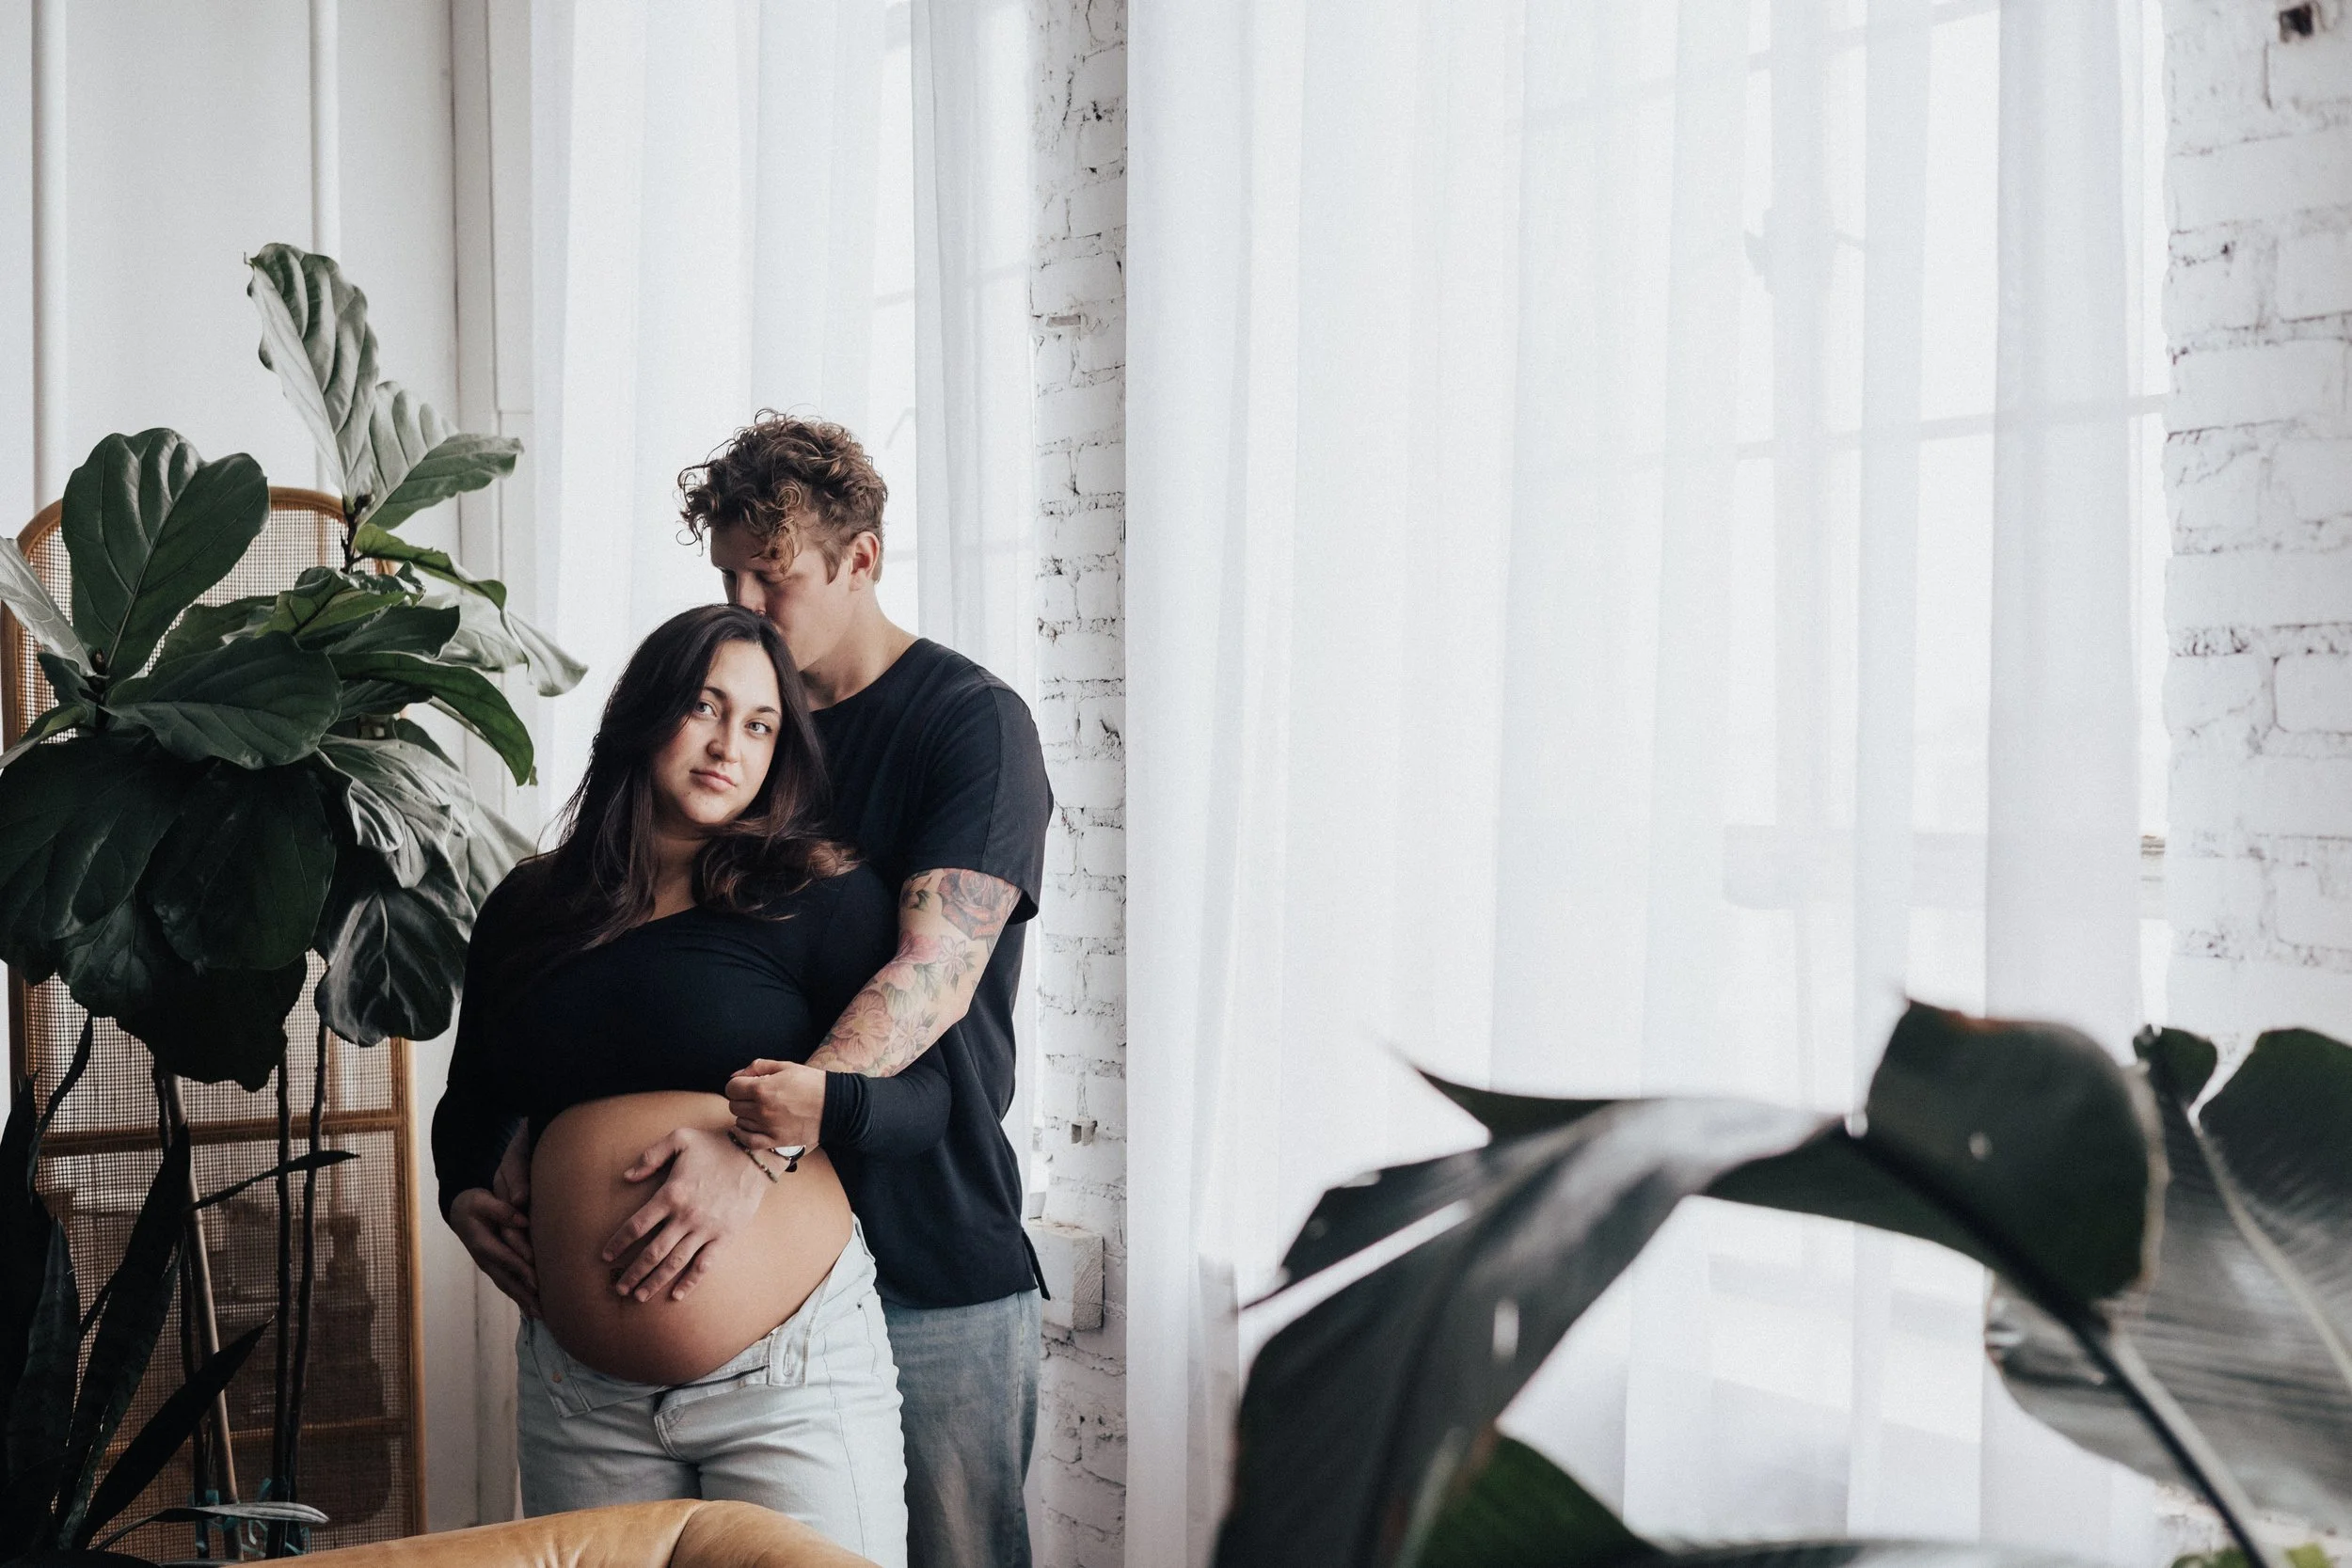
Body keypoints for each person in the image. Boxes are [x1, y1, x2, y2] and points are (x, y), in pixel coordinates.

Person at [437, 604, 945, 1568]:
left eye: (759, 725)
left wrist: (782, 1132)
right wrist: (461, 1192)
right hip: (580, 1394)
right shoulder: (532, 904)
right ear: (646, 714)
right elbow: (472, 1101)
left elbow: (929, 1105)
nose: (728, 744)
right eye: (705, 708)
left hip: (790, 1380)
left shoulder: (821, 897)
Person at [670, 413, 1053, 1568]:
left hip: (928, 1255)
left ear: (861, 559)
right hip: (751, 1277)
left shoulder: (970, 722)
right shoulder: (744, 732)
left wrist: (766, 1141)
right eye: (725, 573)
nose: (742, 602)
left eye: (769, 575)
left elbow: (931, 976)